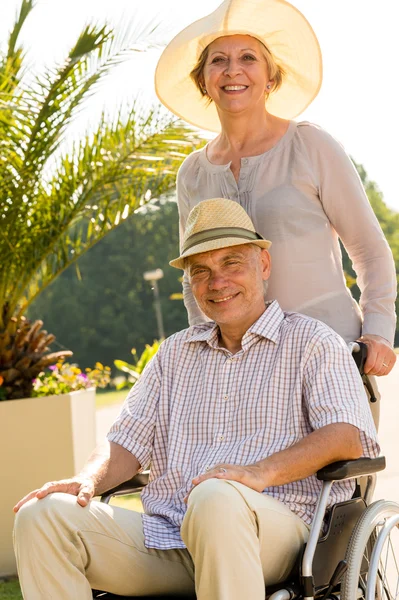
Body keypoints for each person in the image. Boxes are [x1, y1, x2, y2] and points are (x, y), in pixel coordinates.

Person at [13, 198, 379, 600]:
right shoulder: (173, 354)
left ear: (264, 265)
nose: (217, 282)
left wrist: (259, 473)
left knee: (216, 497)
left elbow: (348, 434)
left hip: (278, 531)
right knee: (41, 515)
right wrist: (87, 479)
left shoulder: (312, 342)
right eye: (201, 271)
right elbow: (125, 441)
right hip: (170, 534)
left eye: (231, 263)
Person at [154, 0, 397, 382]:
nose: (233, 70)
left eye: (248, 57)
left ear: (270, 77)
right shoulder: (192, 173)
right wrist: (207, 346)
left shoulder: (311, 145)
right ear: (203, 80)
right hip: (244, 373)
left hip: (332, 354)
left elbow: (368, 249)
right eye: (218, 60)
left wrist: (379, 331)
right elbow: (193, 275)